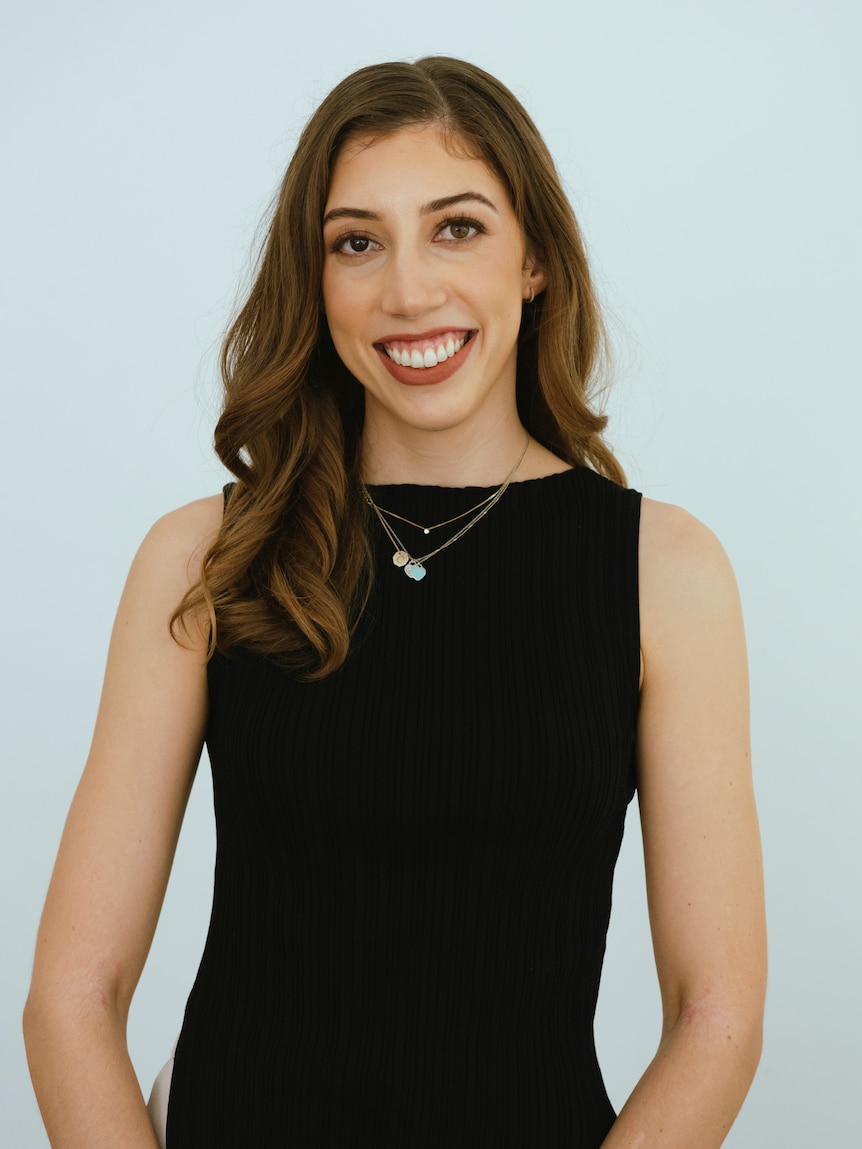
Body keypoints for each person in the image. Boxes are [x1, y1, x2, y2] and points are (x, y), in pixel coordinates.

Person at [23, 56, 766, 1149]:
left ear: (537, 263)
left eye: (457, 228)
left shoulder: (665, 569)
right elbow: (72, 1000)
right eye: (356, 242)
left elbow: (717, 1016)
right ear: (315, 280)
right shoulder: (204, 557)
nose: (407, 292)